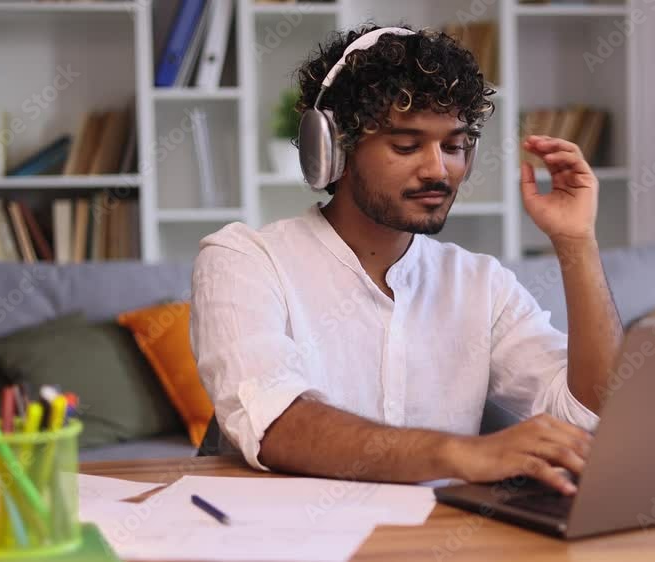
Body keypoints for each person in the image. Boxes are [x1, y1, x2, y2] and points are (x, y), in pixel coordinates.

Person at [190, 25, 623, 495]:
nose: (438, 169)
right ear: (336, 149)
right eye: (407, 145)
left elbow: (590, 413)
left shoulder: (482, 285)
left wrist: (577, 242)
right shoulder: (244, 260)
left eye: (454, 146)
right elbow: (275, 424)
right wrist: (464, 453)